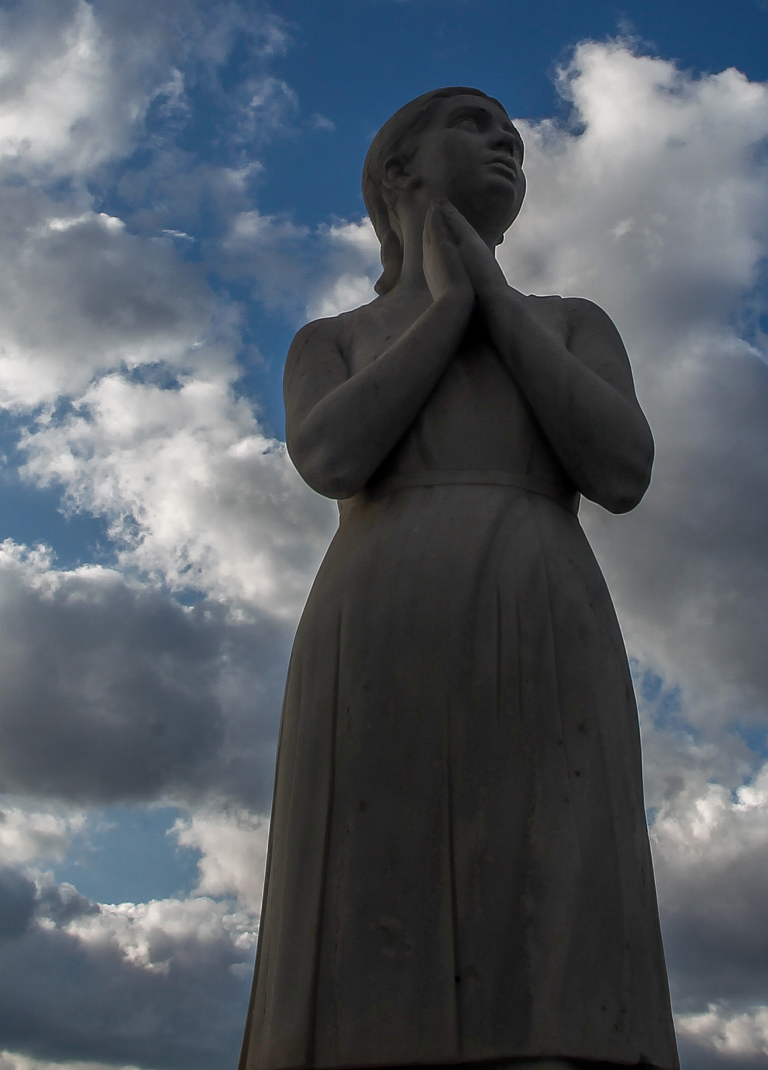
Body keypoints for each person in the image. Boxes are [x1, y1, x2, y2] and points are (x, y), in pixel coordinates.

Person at [240, 87, 677, 1070]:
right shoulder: (334, 339)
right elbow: (332, 456)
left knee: (555, 869)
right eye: (473, 123)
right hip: (380, 618)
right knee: (370, 876)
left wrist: (495, 304)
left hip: (541, 605)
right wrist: (447, 309)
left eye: (511, 132)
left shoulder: (570, 323)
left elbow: (621, 468)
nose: (506, 140)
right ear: (397, 172)